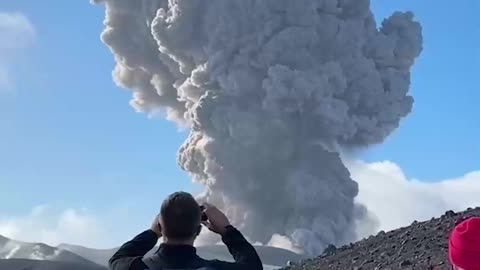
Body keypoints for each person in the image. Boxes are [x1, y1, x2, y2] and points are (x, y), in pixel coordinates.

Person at [109, 191, 263, 270]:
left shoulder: (134, 267)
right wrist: (227, 230)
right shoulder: (213, 268)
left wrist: (152, 233)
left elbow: (117, 259)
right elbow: (253, 267)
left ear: (160, 226)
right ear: (199, 230)